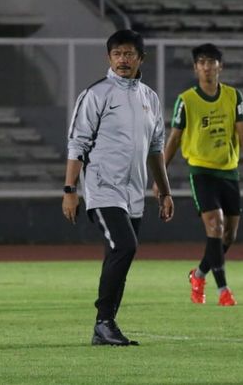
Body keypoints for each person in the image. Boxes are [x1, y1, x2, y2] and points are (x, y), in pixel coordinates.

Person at [62, 29, 174, 346]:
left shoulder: (149, 98)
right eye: (117, 54)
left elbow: (156, 149)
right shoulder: (96, 94)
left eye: (128, 53)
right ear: (109, 58)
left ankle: (105, 326)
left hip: (134, 193)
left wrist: (164, 191)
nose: (123, 60)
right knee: (125, 247)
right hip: (102, 188)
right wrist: (70, 190)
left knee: (119, 254)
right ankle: (104, 321)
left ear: (141, 58)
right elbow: (77, 144)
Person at [156, 43, 243, 306]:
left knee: (228, 236)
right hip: (201, 170)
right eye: (202, 62)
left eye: (211, 62)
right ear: (195, 67)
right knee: (215, 225)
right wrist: (161, 176)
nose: (207, 67)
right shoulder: (186, 100)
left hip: (228, 171)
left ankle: (198, 274)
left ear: (219, 67)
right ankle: (223, 291)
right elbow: (174, 138)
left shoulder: (233, 96)